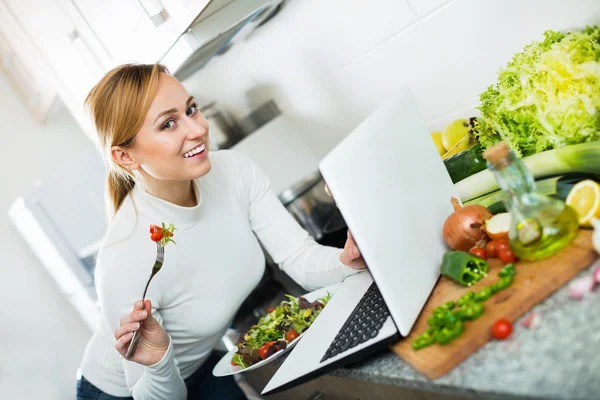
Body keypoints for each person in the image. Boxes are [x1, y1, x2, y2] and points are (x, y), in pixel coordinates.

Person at [76, 63, 366, 400]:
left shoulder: (235, 171)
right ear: (125, 156)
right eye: (169, 123)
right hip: (127, 392)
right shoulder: (126, 257)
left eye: (191, 110)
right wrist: (158, 363)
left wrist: (346, 261)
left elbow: (297, 255)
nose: (197, 129)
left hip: (198, 364)